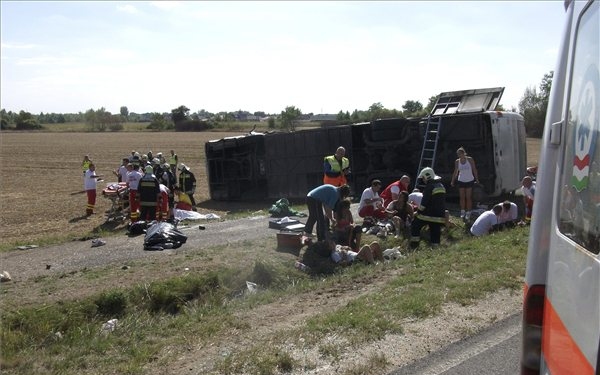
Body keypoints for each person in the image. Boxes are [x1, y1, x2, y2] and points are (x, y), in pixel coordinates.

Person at [410, 167, 447, 249]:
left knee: (415, 224)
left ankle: (414, 246)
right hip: (439, 216)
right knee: (435, 231)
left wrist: (418, 212)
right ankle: (435, 248)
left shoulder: (429, 186)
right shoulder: (441, 185)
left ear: (427, 176)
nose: (423, 180)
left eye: (423, 177)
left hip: (428, 214)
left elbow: (424, 203)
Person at [450, 147, 479, 219]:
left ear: (464, 153)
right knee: (462, 197)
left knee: (468, 197)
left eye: (460, 153)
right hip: (461, 180)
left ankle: (468, 212)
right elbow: (455, 171)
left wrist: (477, 179)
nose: (459, 155)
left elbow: (474, 169)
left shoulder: (470, 159)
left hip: (469, 180)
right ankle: (462, 211)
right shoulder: (457, 161)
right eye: (458, 154)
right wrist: (452, 180)